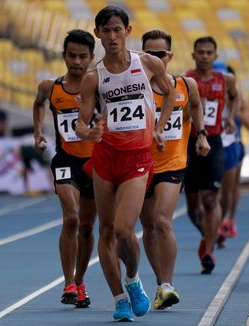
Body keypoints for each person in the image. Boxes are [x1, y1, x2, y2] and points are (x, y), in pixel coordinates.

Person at [75, 6, 175, 321]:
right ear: (98, 34)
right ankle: (119, 298)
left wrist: (159, 128)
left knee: (123, 230)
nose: (113, 36)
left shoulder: (148, 63)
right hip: (105, 158)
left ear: (128, 31)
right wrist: (88, 131)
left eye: (118, 29)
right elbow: (80, 122)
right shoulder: (93, 77)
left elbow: (170, 93)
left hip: (137, 159)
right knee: (105, 230)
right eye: (106, 31)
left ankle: (132, 278)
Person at [139, 30, 210, 310]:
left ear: (169, 56)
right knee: (147, 227)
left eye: (160, 54)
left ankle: (168, 284)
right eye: (149, 54)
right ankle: (159, 283)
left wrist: (201, 135)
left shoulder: (185, 84)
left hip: (173, 163)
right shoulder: (134, 87)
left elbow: (196, 105)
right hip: (140, 165)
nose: (155, 59)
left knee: (162, 221)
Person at [32, 29, 97, 308]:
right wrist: (37, 132)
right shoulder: (51, 87)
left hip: (95, 163)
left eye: (83, 57)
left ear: (92, 58)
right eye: (72, 55)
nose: (77, 62)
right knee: (71, 218)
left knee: (86, 226)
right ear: (64, 56)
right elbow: (38, 104)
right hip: (65, 159)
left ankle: (80, 281)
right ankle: (68, 281)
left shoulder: (99, 87)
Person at [184, 36, 238, 274]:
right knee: (193, 207)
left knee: (210, 200)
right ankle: (209, 236)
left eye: (209, 53)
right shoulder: (186, 80)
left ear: (215, 57)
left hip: (214, 142)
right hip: (190, 143)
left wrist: (229, 117)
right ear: (194, 55)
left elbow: (235, 97)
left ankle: (208, 251)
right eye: (201, 52)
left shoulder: (226, 80)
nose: (205, 56)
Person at [216, 63, 249, 247]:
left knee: (231, 188)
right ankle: (217, 223)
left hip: (236, 145)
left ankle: (230, 220)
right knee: (217, 189)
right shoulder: (213, 96)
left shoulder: (241, 100)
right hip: (217, 145)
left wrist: (236, 110)